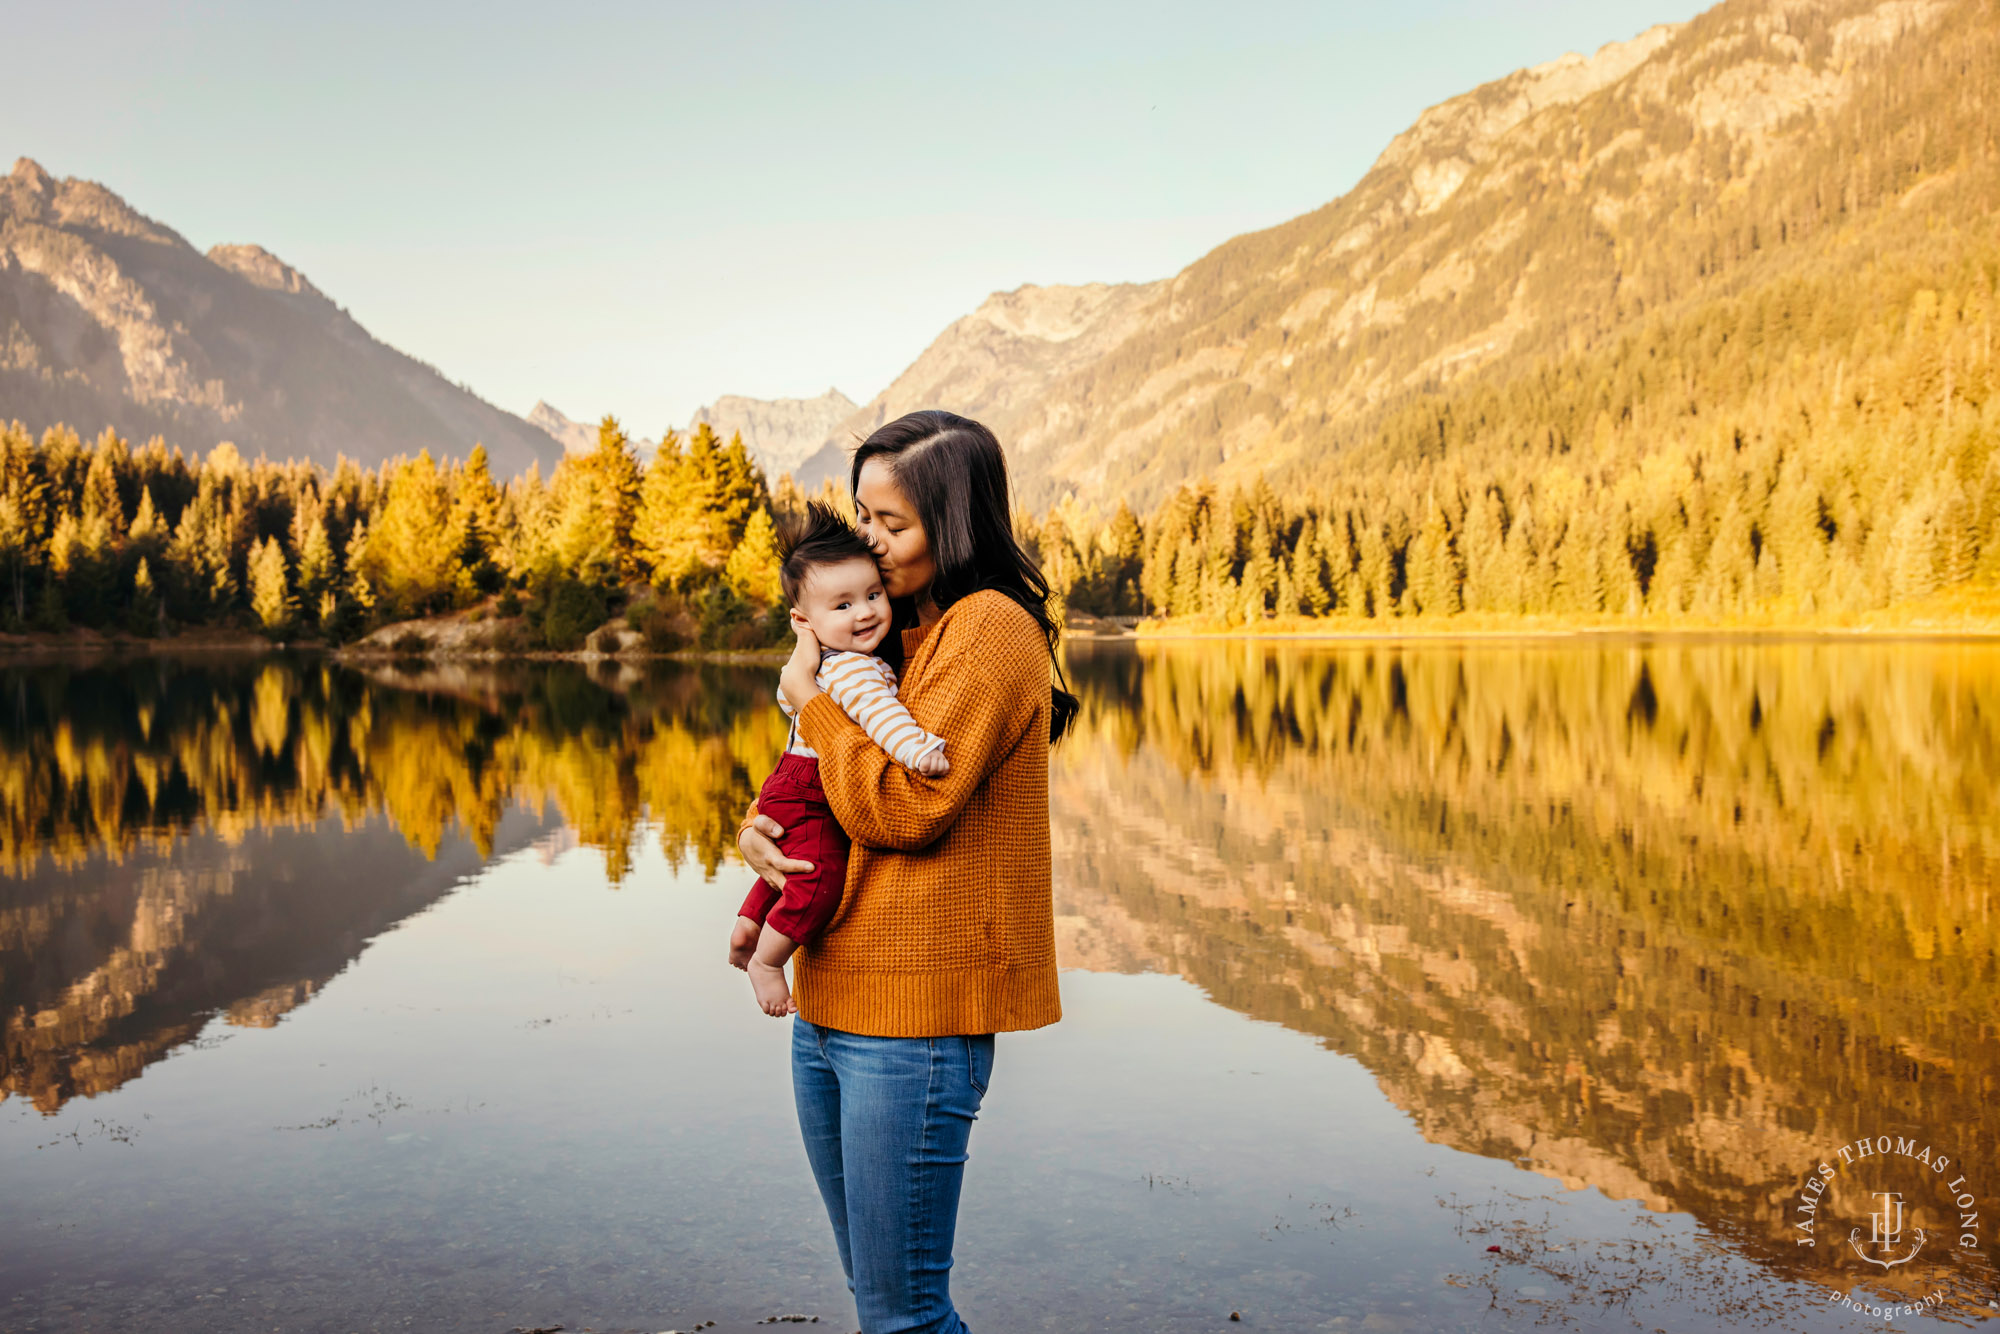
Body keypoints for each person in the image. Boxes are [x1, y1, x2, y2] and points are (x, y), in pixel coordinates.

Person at [730, 409, 1077, 1334]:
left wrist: (806, 689)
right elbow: (828, 784)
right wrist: (760, 830)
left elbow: (902, 807)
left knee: (903, 1315)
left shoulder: (992, 630)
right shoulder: (884, 638)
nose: (870, 547)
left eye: (893, 525)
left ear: (955, 522)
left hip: (917, 1022)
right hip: (832, 998)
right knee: (881, 1302)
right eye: (863, 517)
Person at [731, 501, 951, 1018]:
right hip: (812, 786)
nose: (867, 611)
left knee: (792, 862)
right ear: (803, 622)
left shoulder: (825, 668)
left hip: (789, 780)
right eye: (844, 606)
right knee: (820, 874)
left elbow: (792, 701)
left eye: (873, 595)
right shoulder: (856, 671)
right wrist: (920, 751)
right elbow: (883, 720)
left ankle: (749, 924)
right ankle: (766, 962)